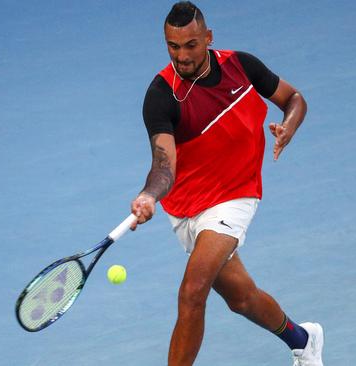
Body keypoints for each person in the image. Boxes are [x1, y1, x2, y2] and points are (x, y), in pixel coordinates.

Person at [129, 2, 323, 365]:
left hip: (235, 196)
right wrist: (148, 194)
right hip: (188, 205)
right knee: (241, 298)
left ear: (208, 38)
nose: (181, 56)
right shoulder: (161, 95)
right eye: (173, 46)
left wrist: (289, 127)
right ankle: (303, 339)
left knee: (192, 292)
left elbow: (293, 98)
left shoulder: (241, 65)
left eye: (190, 45)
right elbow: (163, 164)